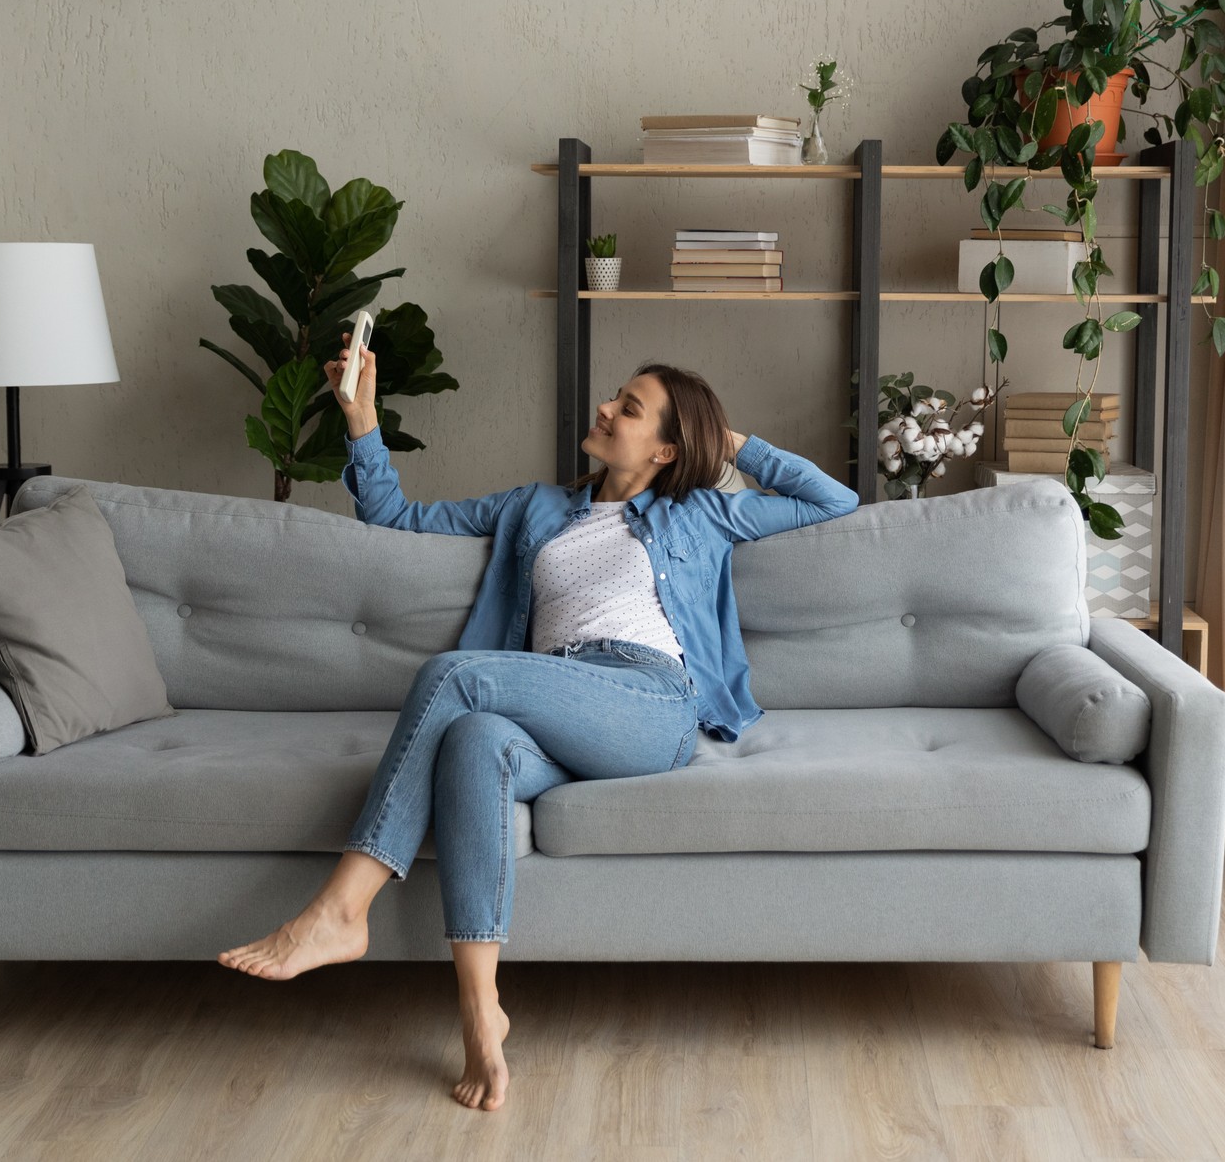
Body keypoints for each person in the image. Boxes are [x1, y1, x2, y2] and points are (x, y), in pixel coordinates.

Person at [219, 334, 858, 1111]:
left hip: (648, 700)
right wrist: (361, 420)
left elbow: (834, 500)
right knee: (475, 738)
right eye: (614, 396)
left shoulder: (704, 513)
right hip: (551, 697)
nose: (605, 408)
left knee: (456, 672)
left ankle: (341, 909)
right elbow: (394, 513)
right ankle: (480, 1013)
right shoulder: (535, 507)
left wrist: (735, 444)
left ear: (665, 448)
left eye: (628, 408)